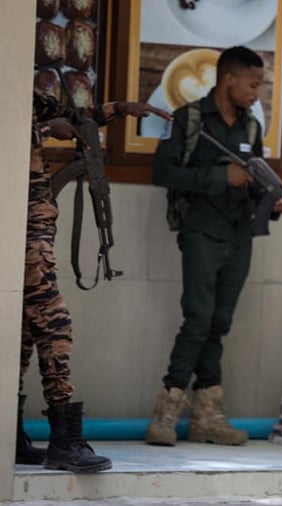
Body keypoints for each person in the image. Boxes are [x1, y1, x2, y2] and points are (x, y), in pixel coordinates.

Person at [18, 91, 169, 472]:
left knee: (22, 334)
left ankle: (12, 435)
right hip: (23, 238)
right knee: (55, 326)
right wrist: (42, 128)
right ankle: (65, 441)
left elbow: (75, 114)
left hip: (34, 232)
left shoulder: (22, 90)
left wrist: (120, 109)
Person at [146, 46, 282, 446]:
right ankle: (167, 411)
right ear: (229, 80)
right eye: (254, 84)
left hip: (240, 235)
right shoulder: (187, 118)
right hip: (201, 232)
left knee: (218, 325)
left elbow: (256, 177)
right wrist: (218, 177)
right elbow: (163, 172)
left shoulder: (251, 127)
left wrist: (273, 202)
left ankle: (207, 414)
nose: (258, 92)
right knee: (198, 319)